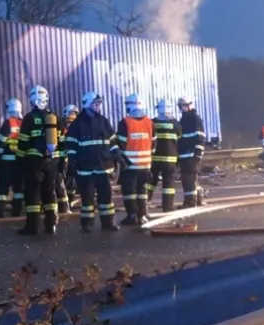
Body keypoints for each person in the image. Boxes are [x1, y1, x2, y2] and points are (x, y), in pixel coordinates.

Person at [65, 91, 120, 233]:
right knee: (87, 198)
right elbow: (70, 144)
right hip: (85, 167)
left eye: (99, 103)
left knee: (106, 197)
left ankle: (108, 223)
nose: (98, 106)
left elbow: (112, 140)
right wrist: (72, 161)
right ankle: (87, 224)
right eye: (96, 104)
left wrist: (117, 155)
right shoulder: (77, 124)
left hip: (103, 166)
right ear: (88, 105)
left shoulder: (103, 120)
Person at [17, 85, 60, 236]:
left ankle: (32, 227)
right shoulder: (53, 117)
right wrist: (58, 161)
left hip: (34, 162)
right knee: (49, 192)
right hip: (51, 162)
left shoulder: (29, 118)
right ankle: (51, 225)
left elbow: (23, 141)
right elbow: (60, 140)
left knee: (33, 193)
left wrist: (20, 158)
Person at [112, 93, 154, 225]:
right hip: (145, 165)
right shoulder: (149, 122)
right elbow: (153, 144)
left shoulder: (125, 123)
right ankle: (143, 214)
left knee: (129, 191)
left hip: (129, 165)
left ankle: (132, 215)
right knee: (142, 190)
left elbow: (121, 144)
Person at [146, 99, 181, 212]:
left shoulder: (152, 123)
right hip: (170, 160)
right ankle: (168, 207)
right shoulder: (175, 124)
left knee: (151, 181)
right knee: (168, 184)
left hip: (154, 158)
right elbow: (179, 139)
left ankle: (145, 202)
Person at [0, 98, 24, 218]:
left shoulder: (8, 123)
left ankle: (0, 211)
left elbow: (1, 142)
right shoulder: (24, 123)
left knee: (3, 187)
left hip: (6, 161)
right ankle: (17, 211)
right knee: (18, 188)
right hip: (20, 161)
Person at [176, 95, 206, 208]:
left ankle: (190, 202)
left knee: (189, 179)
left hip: (191, 155)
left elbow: (200, 138)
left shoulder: (195, 119)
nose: (182, 108)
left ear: (189, 105)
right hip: (184, 155)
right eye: (181, 106)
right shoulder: (184, 119)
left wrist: (197, 155)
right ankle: (198, 199)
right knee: (189, 179)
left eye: (183, 106)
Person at [55, 104, 80, 213]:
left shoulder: (77, 127)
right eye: (71, 114)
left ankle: (69, 202)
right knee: (62, 182)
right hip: (63, 157)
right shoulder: (61, 126)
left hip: (73, 157)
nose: (73, 116)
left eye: (74, 114)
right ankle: (63, 205)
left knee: (71, 182)